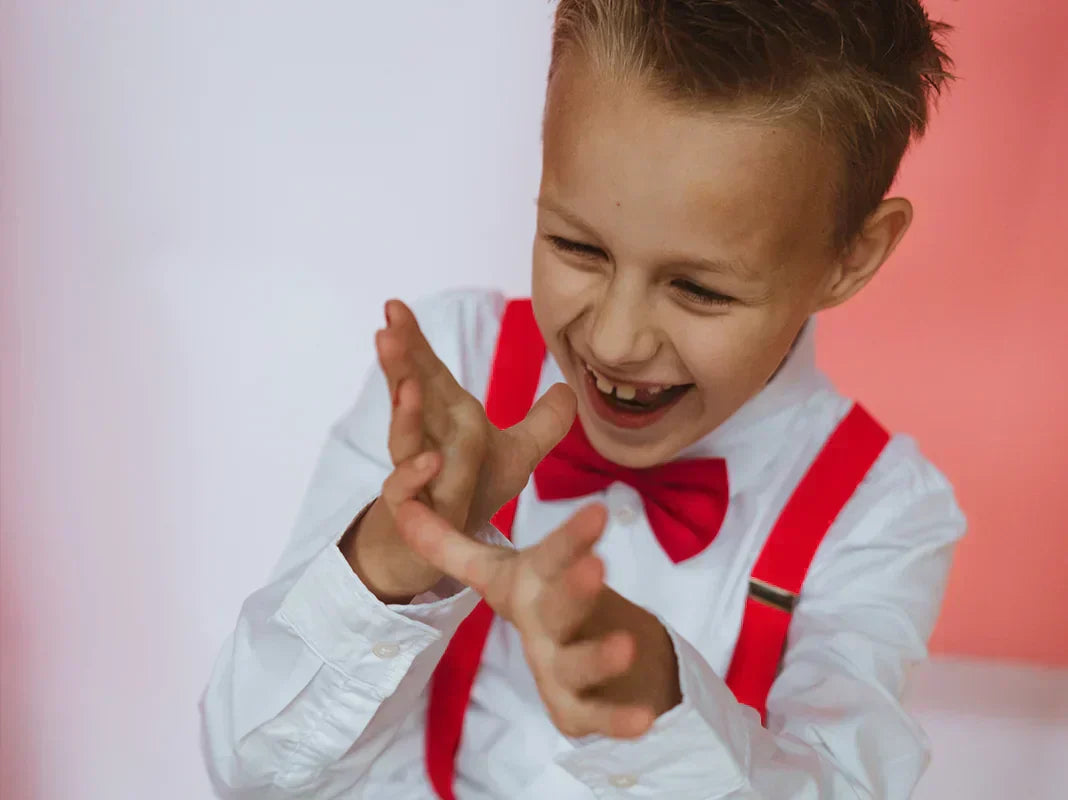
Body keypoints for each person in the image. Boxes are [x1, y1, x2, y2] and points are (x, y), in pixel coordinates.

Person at [200, 1, 966, 797]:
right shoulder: (452, 366)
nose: (614, 339)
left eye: (699, 289)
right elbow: (253, 771)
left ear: (853, 255)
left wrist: (660, 709)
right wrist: (395, 558)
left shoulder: (881, 514)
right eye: (576, 246)